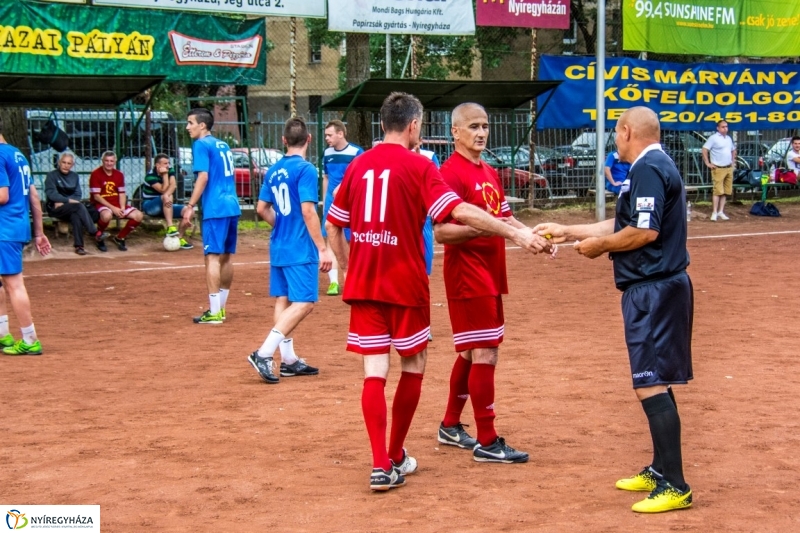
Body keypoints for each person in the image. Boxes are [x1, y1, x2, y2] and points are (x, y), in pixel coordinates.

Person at [325, 92, 549, 491]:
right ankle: (396, 453)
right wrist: (514, 231)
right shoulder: (421, 165)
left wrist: (346, 266)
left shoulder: (357, 165)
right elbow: (456, 213)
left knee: (374, 372)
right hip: (406, 284)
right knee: (413, 365)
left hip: (364, 284)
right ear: (413, 126)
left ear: (382, 124)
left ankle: (383, 465)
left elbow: (334, 224)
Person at [534, 107, 694, 514]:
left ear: (626, 131)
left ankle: (675, 486)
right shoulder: (652, 165)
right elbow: (624, 222)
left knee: (649, 382)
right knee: (655, 379)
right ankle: (661, 470)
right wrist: (572, 231)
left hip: (654, 289)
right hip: (653, 289)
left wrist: (599, 247)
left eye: (615, 134)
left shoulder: (648, 168)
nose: (614, 142)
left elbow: (644, 232)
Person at [435, 102, 531, 464]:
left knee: (469, 352)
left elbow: (505, 217)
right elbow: (442, 231)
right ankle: (488, 441)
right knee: (486, 351)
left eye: (485, 126)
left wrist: (534, 234)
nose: (481, 133)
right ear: (455, 132)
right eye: (473, 126)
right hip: (467, 275)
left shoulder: (489, 171)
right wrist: (485, 228)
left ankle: (449, 424)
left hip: (491, 272)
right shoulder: (450, 173)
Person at [247, 117, 332, 384]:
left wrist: (281, 223)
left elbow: (261, 209)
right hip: (299, 246)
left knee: (283, 299)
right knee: (305, 302)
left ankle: (289, 361)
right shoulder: (306, 169)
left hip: (279, 244)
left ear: (284, 141)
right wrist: (322, 248)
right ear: (308, 139)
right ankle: (263, 353)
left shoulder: (273, 170)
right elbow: (308, 210)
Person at [182, 108, 242, 324]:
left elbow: (203, 177)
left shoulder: (200, 144)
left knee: (212, 257)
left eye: (190, 123)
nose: (187, 127)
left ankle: (215, 312)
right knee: (226, 256)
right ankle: (221, 308)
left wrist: (190, 205)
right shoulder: (223, 144)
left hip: (215, 207)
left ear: (202, 126)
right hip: (232, 205)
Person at [0, 115, 51, 355]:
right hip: (16, 226)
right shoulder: (17, 154)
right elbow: (33, 196)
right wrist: (39, 232)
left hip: (4, 229)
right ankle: (3, 334)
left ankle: (30, 339)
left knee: (13, 283)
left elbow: (2, 196)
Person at [321, 120, 363, 296]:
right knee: (331, 239)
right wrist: (324, 201)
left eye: (330, 135)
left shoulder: (356, 152)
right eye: (326, 135)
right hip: (332, 203)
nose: (327, 138)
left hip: (350, 203)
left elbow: (361, 179)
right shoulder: (327, 153)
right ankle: (333, 283)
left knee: (350, 242)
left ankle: (352, 280)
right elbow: (326, 178)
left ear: (341, 133)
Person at [44, 151, 107, 255]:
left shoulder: (74, 176)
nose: (65, 165)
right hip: (55, 208)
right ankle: (95, 232)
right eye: (64, 162)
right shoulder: (51, 176)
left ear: (72, 165)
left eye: (69, 163)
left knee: (76, 215)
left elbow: (77, 195)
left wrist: (64, 201)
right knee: (78, 206)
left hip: (69, 206)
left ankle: (79, 246)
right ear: (59, 162)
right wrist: (68, 201)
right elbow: (52, 194)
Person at [89, 151, 144, 251]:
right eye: (106, 161)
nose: (109, 163)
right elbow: (96, 196)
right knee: (106, 216)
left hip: (117, 203)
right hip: (102, 203)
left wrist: (122, 208)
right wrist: (113, 208)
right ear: (102, 161)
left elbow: (122, 193)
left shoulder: (119, 174)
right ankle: (99, 236)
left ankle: (120, 237)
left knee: (138, 215)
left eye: (111, 161)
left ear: (115, 161)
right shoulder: (95, 174)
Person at [142, 153, 193, 250]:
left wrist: (166, 195)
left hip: (166, 205)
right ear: (158, 165)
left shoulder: (171, 170)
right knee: (166, 196)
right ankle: (170, 227)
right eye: (165, 163)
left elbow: (173, 185)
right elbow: (162, 189)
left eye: (168, 163)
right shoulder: (150, 176)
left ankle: (179, 238)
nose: (168, 165)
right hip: (150, 206)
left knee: (188, 210)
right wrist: (165, 175)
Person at [702, 119, 736, 221]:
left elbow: (733, 150)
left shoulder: (729, 138)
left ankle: (721, 211)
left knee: (725, 191)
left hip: (728, 168)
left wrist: (733, 162)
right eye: (723, 127)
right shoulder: (713, 138)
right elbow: (704, 149)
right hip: (718, 168)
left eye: (726, 126)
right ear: (718, 128)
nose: (725, 128)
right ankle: (714, 212)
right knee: (717, 191)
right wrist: (707, 163)